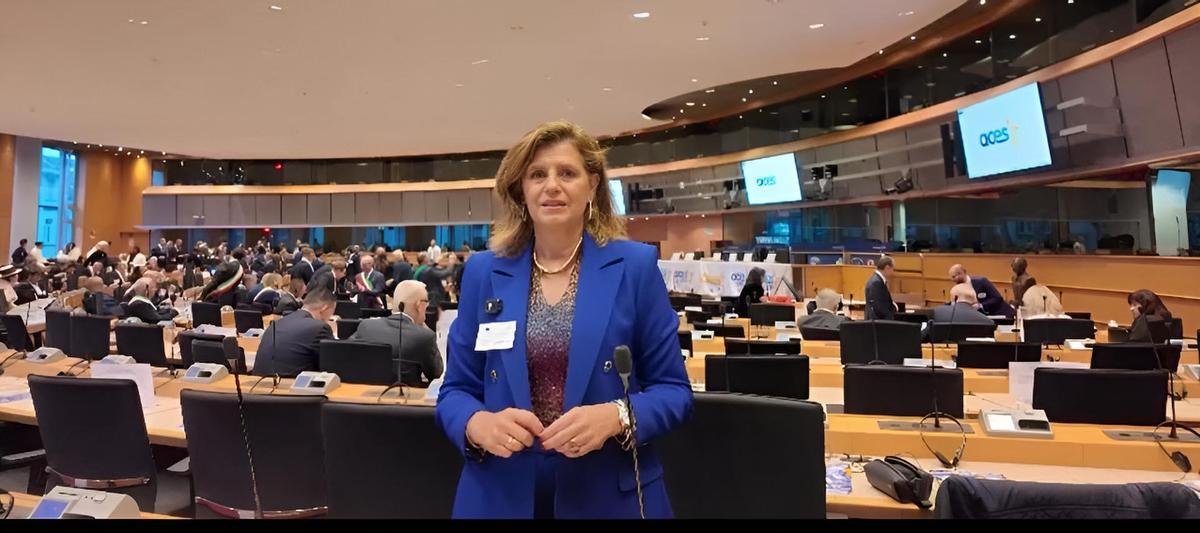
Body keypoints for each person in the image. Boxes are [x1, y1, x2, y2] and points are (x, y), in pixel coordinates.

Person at [435, 121, 691, 519]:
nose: (551, 185)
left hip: (608, 494)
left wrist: (617, 416)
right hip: (499, 495)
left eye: (567, 173)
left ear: (592, 185)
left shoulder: (635, 267)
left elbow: (674, 391)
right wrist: (476, 423)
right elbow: (455, 391)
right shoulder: (485, 272)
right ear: (521, 188)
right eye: (537, 174)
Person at [349, 280, 443, 386]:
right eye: (426, 302)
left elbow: (347, 353)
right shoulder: (425, 337)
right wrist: (424, 327)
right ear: (419, 305)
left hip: (363, 394)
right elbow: (436, 373)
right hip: (407, 398)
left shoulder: (366, 326)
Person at [251, 277, 336, 378]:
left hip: (256, 387)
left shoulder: (277, 323)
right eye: (331, 313)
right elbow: (333, 366)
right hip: (291, 390)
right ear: (324, 308)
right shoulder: (320, 328)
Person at [949, 264, 1014, 319]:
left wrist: (981, 305)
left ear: (965, 272)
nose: (956, 278)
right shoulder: (957, 289)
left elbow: (997, 298)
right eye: (953, 277)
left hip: (1002, 316)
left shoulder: (981, 281)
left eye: (958, 274)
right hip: (984, 319)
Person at [865, 256, 896, 321]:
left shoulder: (877, 280)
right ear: (887, 267)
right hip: (877, 325)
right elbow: (878, 308)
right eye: (893, 269)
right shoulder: (876, 282)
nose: (893, 273)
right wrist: (894, 309)